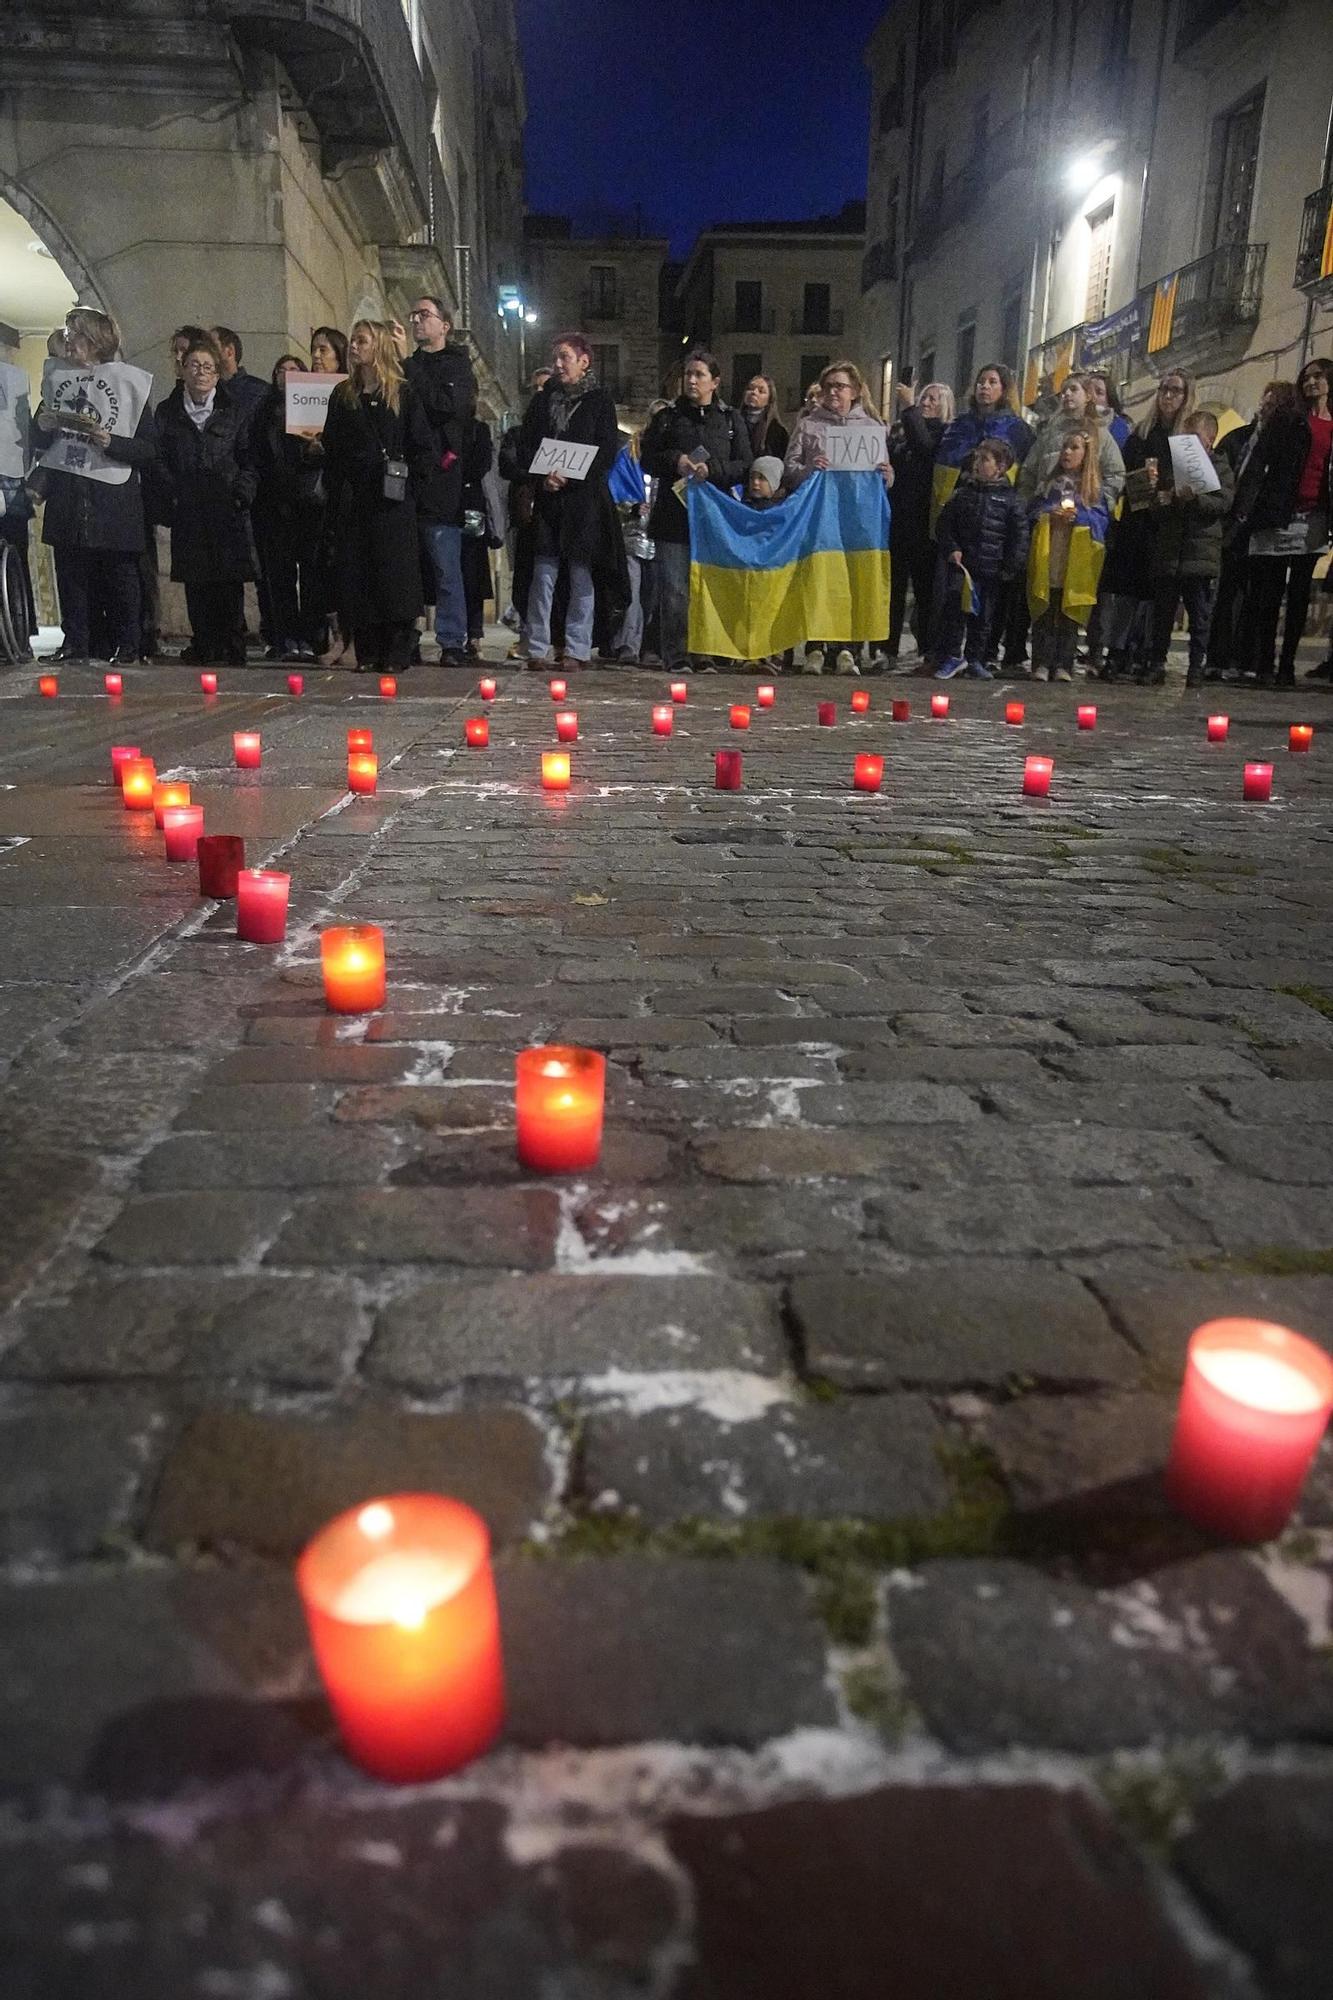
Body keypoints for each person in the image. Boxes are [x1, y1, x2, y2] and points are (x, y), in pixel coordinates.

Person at [35, 306, 156, 666]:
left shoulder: (127, 383)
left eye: (75, 335)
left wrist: (111, 441)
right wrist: (41, 424)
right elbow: (40, 440)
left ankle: (128, 646)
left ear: (95, 340)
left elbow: (150, 449)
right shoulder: (59, 380)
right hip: (69, 492)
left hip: (112, 496)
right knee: (70, 573)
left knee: (119, 576)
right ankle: (75, 644)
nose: (69, 342)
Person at [320, 319, 436, 671]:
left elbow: (422, 447)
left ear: (379, 347)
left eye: (362, 341)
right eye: (353, 340)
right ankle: (367, 649)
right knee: (359, 570)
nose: (354, 347)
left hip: (393, 499)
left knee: (394, 573)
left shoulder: (402, 393)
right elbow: (333, 444)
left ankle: (398, 648)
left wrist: (409, 484)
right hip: (356, 498)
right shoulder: (344, 395)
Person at [506, 332, 627, 668]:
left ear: (584, 361)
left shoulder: (599, 402)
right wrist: (542, 475)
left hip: (584, 504)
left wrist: (571, 475)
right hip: (549, 501)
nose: (558, 364)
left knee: (580, 576)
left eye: (565, 357)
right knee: (543, 575)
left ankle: (576, 648)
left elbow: (605, 449)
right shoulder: (542, 401)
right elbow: (527, 444)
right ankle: (539, 647)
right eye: (556, 357)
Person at [640, 349, 751, 671]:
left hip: (714, 518)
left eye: (699, 375)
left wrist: (713, 470)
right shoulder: (667, 418)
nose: (691, 380)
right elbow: (647, 458)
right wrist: (676, 460)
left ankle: (705, 653)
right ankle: (676, 654)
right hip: (673, 516)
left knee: (709, 587)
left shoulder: (731, 421)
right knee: (674, 589)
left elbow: (744, 463)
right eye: (688, 374)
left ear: (715, 382)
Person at [783, 360, 893, 674]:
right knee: (821, 578)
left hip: (858, 522)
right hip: (821, 520)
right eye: (829, 386)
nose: (833, 391)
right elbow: (789, 473)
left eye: (840, 386)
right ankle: (816, 647)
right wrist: (808, 469)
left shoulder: (873, 428)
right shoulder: (808, 425)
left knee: (855, 579)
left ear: (856, 391)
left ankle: (847, 649)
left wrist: (888, 474)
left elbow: (883, 478)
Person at [157, 332, 256, 666]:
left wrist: (242, 492)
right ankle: (205, 643)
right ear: (183, 369)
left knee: (228, 582)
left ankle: (231, 643)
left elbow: (248, 458)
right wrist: (172, 493)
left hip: (226, 507)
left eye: (207, 367)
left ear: (217, 374)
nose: (200, 372)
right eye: (194, 365)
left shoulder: (234, 411)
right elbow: (161, 460)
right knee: (196, 582)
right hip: (189, 507)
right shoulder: (168, 412)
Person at [1094, 370, 1195, 681]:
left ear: (1186, 396)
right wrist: (1140, 483)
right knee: (1126, 590)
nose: (1167, 396)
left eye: (1175, 391)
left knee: (1157, 596)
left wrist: (1169, 490)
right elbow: (1123, 474)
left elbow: (1195, 484)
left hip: (1167, 527)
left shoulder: (1187, 439)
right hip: (1136, 523)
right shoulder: (1141, 433)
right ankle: (1118, 651)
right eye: (1164, 389)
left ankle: (1151, 654)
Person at [1226, 377, 1321, 686]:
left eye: (1319, 376)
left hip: (1314, 514)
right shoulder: (1286, 419)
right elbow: (1260, 465)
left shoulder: (1325, 423)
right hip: (1278, 511)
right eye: (1307, 377)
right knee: (1268, 591)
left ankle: (1286, 665)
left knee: (1298, 594)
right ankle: (1263, 661)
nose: (1312, 382)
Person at [403, 294, 477, 667]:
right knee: (410, 565)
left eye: (425, 315)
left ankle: (451, 639)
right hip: (409, 478)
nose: (417, 321)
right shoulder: (408, 367)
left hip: (442, 478)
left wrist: (410, 368)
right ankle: (408, 634)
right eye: (414, 315)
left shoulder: (457, 366)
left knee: (445, 563)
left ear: (444, 325)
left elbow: (445, 406)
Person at [1146, 409, 1233, 687]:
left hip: (1200, 553)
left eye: (1196, 438)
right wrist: (1162, 499)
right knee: (1162, 615)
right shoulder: (1172, 466)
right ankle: (1156, 662)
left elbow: (1223, 502)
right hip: (1171, 552)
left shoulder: (1220, 466)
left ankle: (1196, 666)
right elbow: (1156, 509)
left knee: (1200, 615)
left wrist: (1196, 500)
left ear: (1210, 440)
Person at [251, 353, 327, 661]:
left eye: (294, 370)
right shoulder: (263, 411)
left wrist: (315, 450)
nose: (286, 374)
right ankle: (285, 636)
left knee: (311, 572)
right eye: (280, 369)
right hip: (274, 501)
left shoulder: (316, 407)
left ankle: (311, 636)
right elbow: (256, 451)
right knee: (279, 575)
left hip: (308, 502)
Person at [932, 439, 1028, 680]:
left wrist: (1010, 566)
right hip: (962, 567)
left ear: (1001, 467)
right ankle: (952, 656)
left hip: (990, 568)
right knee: (955, 613)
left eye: (985, 460)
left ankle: (976, 658)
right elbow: (945, 525)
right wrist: (952, 548)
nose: (977, 465)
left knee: (983, 617)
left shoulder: (1010, 500)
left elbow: (1019, 536)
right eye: (977, 459)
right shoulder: (962, 495)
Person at [1026, 430, 1107, 682]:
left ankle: (1064, 663)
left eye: (1074, 448)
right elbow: (1032, 511)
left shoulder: (1092, 491)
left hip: (1074, 561)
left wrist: (1079, 518)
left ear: (1086, 455)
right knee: (1045, 613)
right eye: (1064, 447)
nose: (1067, 453)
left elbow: (1101, 522)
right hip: (1050, 555)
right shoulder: (1049, 485)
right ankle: (1041, 662)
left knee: (1067, 614)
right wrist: (1049, 513)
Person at [885, 379, 954, 668]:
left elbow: (926, 448)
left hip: (926, 522)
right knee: (893, 588)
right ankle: (886, 649)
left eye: (933, 399)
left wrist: (910, 408)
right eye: (923, 398)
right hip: (899, 519)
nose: (926, 403)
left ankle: (927, 648)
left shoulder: (946, 435)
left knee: (926, 590)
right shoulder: (903, 437)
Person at [1018, 373, 1124, 511]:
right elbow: (1029, 471)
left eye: (1073, 389)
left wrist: (1099, 505)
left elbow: (1115, 473)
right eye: (1064, 391)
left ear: (1088, 396)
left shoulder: (1100, 434)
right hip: (1047, 512)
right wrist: (1029, 503)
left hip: (1084, 515)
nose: (1067, 394)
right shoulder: (1049, 434)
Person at [459, 413, 497, 657]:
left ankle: (474, 634)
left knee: (473, 573)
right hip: (444, 505)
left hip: (472, 510)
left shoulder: (478, 430)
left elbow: (479, 465)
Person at [740, 376, 789, 464]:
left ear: (770, 399)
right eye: (750, 388)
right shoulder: (731, 421)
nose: (754, 392)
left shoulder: (777, 430)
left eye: (761, 391)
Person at [1084, 370, 1132, 451]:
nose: (1091, 396)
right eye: (1087, 392)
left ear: (1109, 400)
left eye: (1099, 392)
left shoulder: (1119, 426)